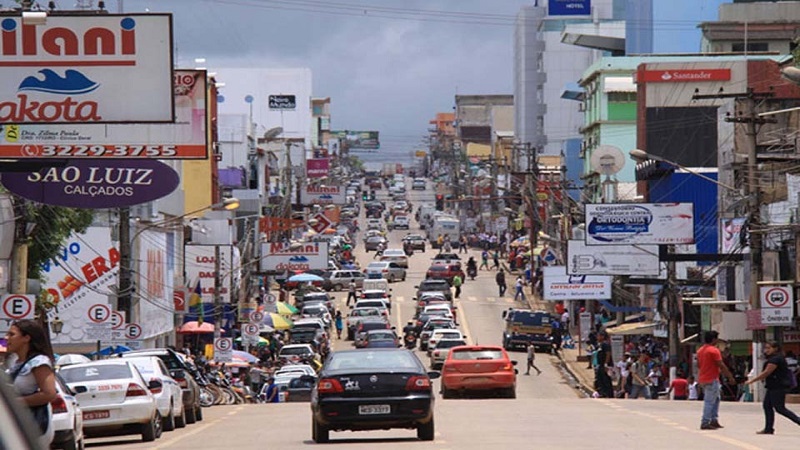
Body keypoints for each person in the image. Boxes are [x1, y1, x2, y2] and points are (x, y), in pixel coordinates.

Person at [5, 320, 57, 447]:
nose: (6, 338)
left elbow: (49, 394)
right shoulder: (14, 361)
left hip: (31, 425)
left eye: (12, 335)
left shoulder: (38, 362)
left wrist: (14, 403)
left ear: (26, 338)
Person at [744, 341, 800, 435]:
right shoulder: (773, 358)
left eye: (769, 348)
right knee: (767, 406)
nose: (766, 350)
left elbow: (767, 372)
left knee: (780, 408)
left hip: (778, 387)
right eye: (766, 348)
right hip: (772, 386)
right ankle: (768, 428)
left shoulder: (776, 359)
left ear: (775, 349)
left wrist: (752, 381)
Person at [697, 330, 734, 430]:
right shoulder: (713, 350)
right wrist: (730, 376)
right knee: (709, 401)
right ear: (713, 339)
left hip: (704, 378)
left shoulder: (700, 350)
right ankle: (705, 421)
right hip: (711, 378)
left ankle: (714, 420)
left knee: (716, 399)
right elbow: (721, 365)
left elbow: (699, 365)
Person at [594, 331, 614, 398]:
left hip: (605, 366)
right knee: (600, 379)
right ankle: (602, 392)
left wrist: (606, 364)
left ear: (602, 337)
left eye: (598, 336)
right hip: (600, 365)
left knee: (606, 380)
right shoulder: (600, 344)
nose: (597, 337)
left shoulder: (605, 344)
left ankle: (609, 394)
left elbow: (608, 354)